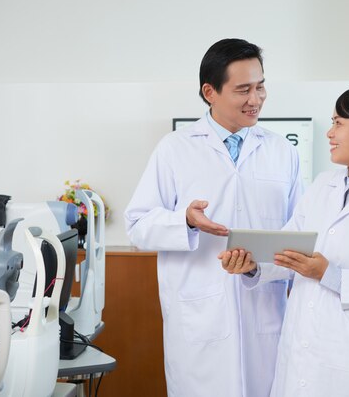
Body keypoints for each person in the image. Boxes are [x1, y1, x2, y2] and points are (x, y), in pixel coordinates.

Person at [220, 86, 349, 396]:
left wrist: (327, 274)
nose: (329, 133)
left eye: (339, 123)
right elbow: (290, 249)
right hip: (303, 351)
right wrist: (253, 266)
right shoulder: (323, 186)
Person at [124, 38, 303, 397]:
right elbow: (137, 225)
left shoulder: (282, 152)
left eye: (261, 86)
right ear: (210, 92)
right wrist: (185, 222)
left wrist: (259, 266)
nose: (256, 99)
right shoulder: (175, 149)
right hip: (200, 318)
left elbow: (297, 234)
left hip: (264, 313)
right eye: (243, 90)